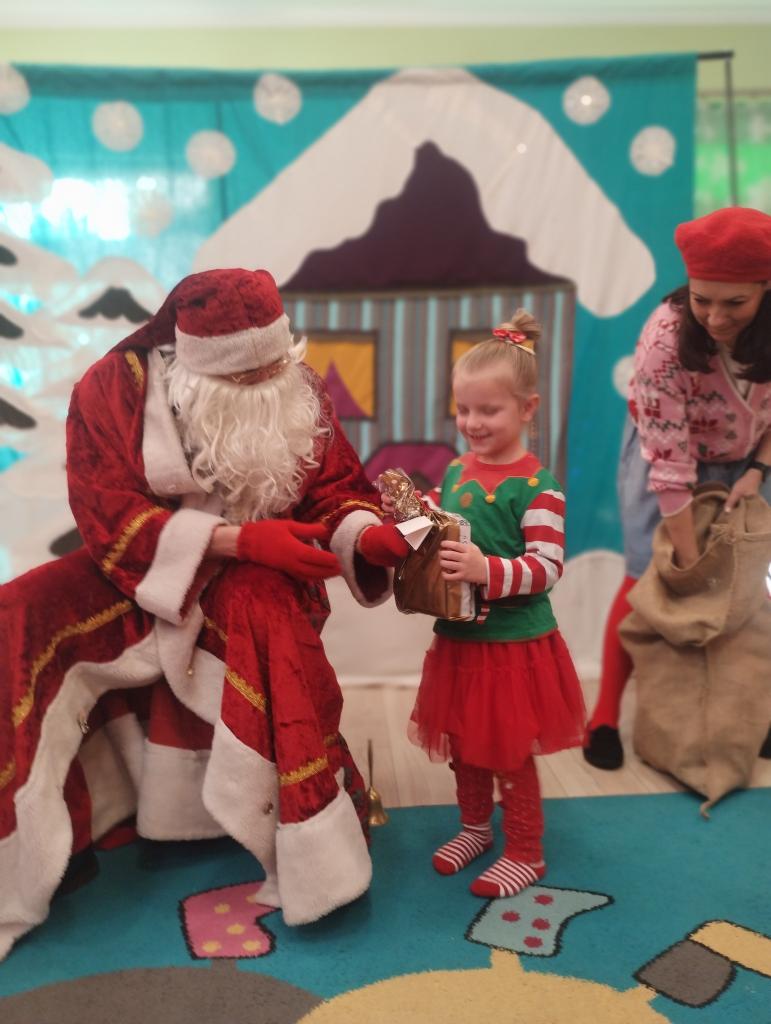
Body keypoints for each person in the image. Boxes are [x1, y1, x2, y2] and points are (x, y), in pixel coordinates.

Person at [0, 267, 408, 961]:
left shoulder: (298, 388)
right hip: (144, 569)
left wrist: (366, 538)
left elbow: (336, 489)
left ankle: (313, 854)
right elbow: (107, 517)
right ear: (194, 366)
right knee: (18, 611)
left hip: (257, 576)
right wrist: (234, 540)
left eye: (274, 370)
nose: (265, 386)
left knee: (262, 608)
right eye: (244, 379)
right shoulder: (111, 389)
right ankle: (42, 839)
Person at [388, 311, 585, 898]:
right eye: (463, 409)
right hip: (460, 640)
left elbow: (547, 567)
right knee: (464, 743)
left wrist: (484, 570)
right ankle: (475, 827)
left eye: (488, 410)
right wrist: (411, 513)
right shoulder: (455, 470)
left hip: (513, 648)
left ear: (528, 409)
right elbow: (442, 523)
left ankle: (526, 850)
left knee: (509, 754)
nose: (472, 422)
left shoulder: (539, 487)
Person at [584, 207, 771, 770]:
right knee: (647, 577)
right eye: (701, 298)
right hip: (662, 461)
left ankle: (754, 710)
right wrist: (689, 564)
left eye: (734, 303)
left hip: (748, 462)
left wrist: (758, 471)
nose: (714, 316)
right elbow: (668, 461)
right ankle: (604, 717)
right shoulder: (665, 338)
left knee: (754, 587)